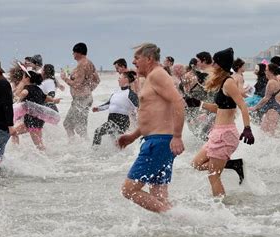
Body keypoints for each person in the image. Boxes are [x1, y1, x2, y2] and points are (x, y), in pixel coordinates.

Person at [118, 43, 185, 213]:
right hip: (158, 140)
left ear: (148, 59)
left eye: (137, 58)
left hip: (160, 142)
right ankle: (177, 229)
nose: (133, 62)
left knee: (129, 189)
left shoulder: (157, 75)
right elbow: (153, 115)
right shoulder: (150, 78)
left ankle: (178, 218)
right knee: (158, 195)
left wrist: (177, 136)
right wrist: (133, 136)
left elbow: (178, 102)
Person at [184, 48, 254, 197]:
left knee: (213, 175)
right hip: (218, 133)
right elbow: (220, 109)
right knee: (196, 164)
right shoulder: (222, 82)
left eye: (215, 62)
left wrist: (247, 128)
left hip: (226, 134)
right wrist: (198, 103)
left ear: (221, 65)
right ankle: (233, 164)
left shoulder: (229, 82)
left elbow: (242, 105)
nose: (213, 64)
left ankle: (221, 208)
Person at [60, 42, 100, 139]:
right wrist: (88, 90)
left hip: (81, 99)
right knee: (77, 126)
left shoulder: (82, 65)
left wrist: (64, 78)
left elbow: (77, 85)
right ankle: (79, 147)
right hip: (85, 98)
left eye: (73, 52)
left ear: (78, 53)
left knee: (71, 125)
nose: (72, 54)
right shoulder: (89, 63)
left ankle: (78, 147)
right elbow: (97, 80)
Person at [13, 71, 60, 151]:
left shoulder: (27, 88)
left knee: (39, 146)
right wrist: (55, 100)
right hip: (35, 120)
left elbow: (20, 94)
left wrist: (21, 87)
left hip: (32, 122)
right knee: (13, 132)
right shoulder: (39, 90)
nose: (22, 78)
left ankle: (51, 159)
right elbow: (47, 98)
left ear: (27, 78)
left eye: (23, 77)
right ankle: (16, 152)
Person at [92, 71, 138, 146]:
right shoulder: (116, 92)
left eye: (120, 78)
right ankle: (121, 155)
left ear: (126, 79)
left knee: (98, 131)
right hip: (111, 120)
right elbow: (109, 104)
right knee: (116, 143)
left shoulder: (131, 94)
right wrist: (98, 108)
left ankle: (94, 152)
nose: (118, 80)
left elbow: (139, 107)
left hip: (121, 121)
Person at [250, 63, 280, 135]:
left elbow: (266, 98)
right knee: (270, 134)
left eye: (266, 70)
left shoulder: (271, 82)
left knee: (266, 134)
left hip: (271, 109)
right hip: (275, 107)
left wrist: (255, 107)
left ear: (271, 71)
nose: (265, 72)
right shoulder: (278, 80)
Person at [0, 59, 15, 163]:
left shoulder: (3, 84)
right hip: (0, 127)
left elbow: (8, 105)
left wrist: (10, 126)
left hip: (2, 128)